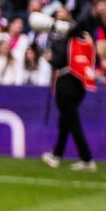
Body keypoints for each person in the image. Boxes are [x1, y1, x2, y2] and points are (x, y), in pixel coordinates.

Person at [43, 20, 98, 170]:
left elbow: (59, 61)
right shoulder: (85, 40)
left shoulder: (65, 42)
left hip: (65, 83)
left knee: (72, 122)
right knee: (65, 121)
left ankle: (86, 158)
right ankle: (56, 155)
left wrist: (49, 59)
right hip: (80, 84)